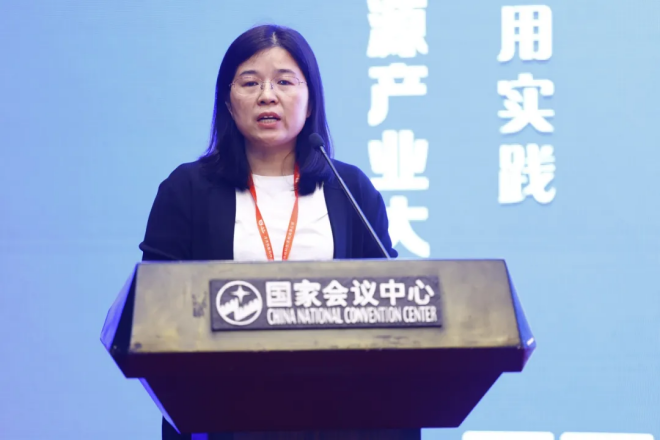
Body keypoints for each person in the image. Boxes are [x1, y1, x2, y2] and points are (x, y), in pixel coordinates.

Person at [138, 24, 397, 439]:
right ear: (228, 101)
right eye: (250, 82)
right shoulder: (187, 190)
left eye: (284, 82)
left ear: (310, 102)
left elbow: (391, 300)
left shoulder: (350, 188)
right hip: (222, 413)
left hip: (337, 415)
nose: (267, 96)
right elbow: (154, 308)